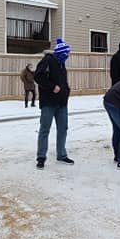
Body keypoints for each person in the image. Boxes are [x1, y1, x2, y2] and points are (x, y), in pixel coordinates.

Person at [34, 38, 74, 169]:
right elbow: (38, 76)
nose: (68, 55)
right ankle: (41, 157)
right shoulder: (48, 60)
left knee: (63, 128)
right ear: (61, 53)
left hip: (62, 103)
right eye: (66, 53)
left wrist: (66, 90)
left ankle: (61, 154)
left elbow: (62, 81)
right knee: (45, 129)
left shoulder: (62, 64)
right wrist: (52, 87)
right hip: (48, 102)